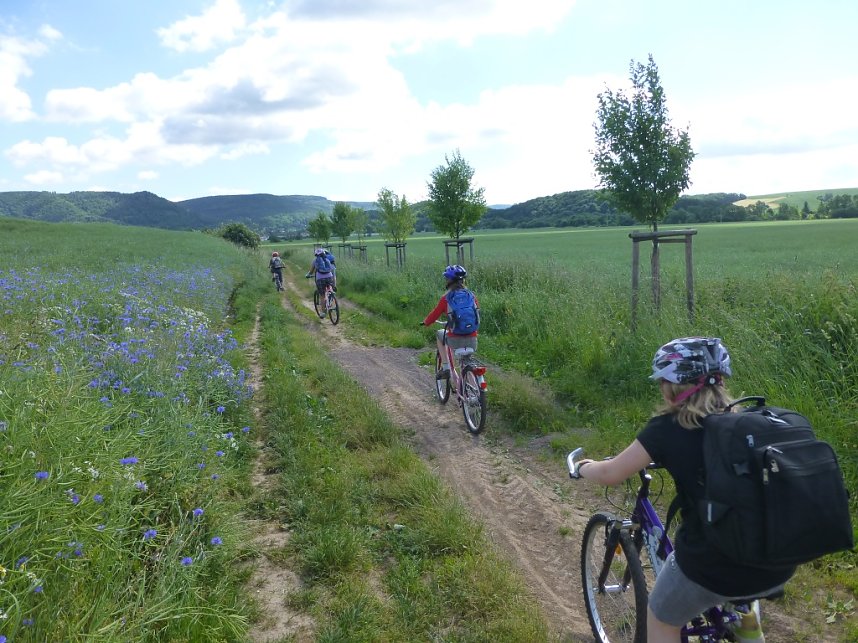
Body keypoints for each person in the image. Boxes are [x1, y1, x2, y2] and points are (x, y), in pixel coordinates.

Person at [573, 337, 795, 643]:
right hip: (778, 562)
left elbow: (612, 473)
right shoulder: (745, 422)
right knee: (742, 531)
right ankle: (746, 623)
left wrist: (583, 466)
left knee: (661, 618)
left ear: (672, 385)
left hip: (713, 566)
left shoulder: (668, 428)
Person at [420, 265, 479, 379]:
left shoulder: (446, 298)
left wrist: (426, 322)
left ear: (449, 280)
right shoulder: (471, 296)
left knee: (439, 334)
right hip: (472, 338)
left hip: (455, 339)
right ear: (463, 280)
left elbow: (434, 314)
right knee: (467, 363)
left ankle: (446, 368)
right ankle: (474, 392)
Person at [305, 248, 335, 318]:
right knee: (329, 289)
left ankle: (323, 312)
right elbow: (331, 269)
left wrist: (308, 275)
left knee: (322, 295)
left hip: (320, 279)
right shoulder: (327, 260)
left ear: (316, 255)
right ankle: (331, 295)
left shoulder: (315, 261)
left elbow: (311, 271)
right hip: (329, 277)